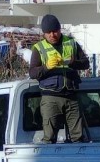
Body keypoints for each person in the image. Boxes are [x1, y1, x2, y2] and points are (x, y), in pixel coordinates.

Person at [29, 14, 90, 144]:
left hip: (71, 96)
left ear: (59, 29)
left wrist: (73, 63)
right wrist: (46, 67)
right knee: (49, 138)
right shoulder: (38, 48)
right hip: (50, 98)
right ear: (44, 33)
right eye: (48, 32)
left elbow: (86, 63)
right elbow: (32, 73)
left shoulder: (71, 43)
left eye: (55, 31)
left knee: (78, 138)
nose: (52, 35)